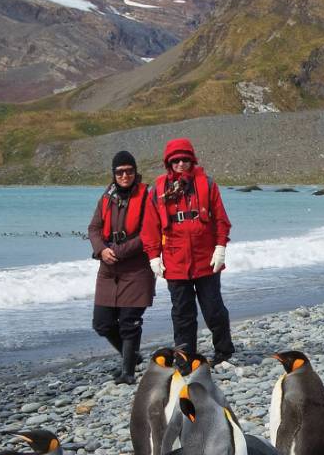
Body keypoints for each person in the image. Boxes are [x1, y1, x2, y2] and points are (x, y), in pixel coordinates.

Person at [148, 138, 236, 363]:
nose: (180, 164)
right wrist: (153, 256)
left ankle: (224, 351)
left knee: (213, 309)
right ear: (169, 163)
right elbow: (150, 227)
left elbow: (221, 220)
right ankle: (186, 356)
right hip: (175, 262)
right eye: (175, 160)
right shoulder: (157, 189)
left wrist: (220, 247)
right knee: (182, 313)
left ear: (192, 160)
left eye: (185, 160)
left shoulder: (207, 184)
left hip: (206, 259)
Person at [86, 151, 160, 384]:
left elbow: (148, 233)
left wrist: (117, 251)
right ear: (114, 174)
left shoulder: (147, 197)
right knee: (102, 323)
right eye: (120, 172)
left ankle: (128, 371)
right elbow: (94, 229)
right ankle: (132, 356)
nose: (125, 175)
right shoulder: (106, 198)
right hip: (109, 268)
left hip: (137, 268)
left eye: (129, 171)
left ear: (135, 172)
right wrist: (101, 249)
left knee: (129, 322)